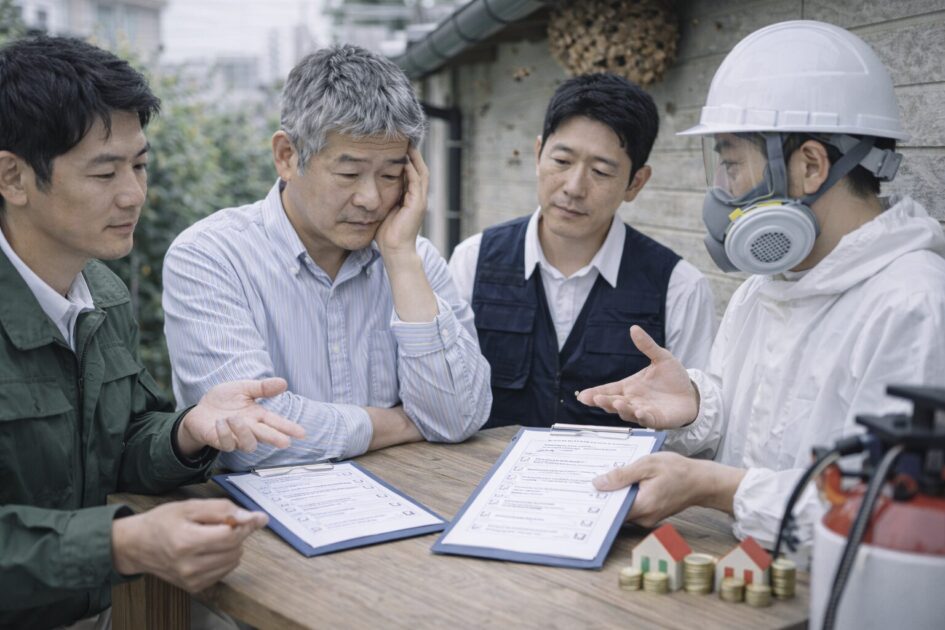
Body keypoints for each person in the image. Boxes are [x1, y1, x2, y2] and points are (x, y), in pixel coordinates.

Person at [578, 20, 945, 547]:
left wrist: (715, 488)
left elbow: (884, 515)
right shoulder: (766, 286)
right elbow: (758, 426)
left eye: (731, 165)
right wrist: (699, 405)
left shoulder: (915, 305)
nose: (722, 192)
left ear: (811, 165)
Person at [0, 37, 305, 629]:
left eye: (139, 165)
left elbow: (118, 444)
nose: (133, 195)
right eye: (104, 171)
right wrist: (122, 543)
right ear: (13, 177)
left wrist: (189, 430)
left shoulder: (103, 295)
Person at [162, 45, 491, 471]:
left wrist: (401, 257)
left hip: (404, 514)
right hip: (257, 527)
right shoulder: (209, 257)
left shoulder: (416, 260)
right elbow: (252, 438)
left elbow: (458, 418)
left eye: (391, 174)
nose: (371, 199)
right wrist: (397, 424)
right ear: (287, 156)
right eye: (349, 174)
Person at [448, 73, 715, 428]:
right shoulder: (473, 260)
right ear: (538, 153)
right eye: (561, 161)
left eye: (601, 171)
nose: (574, 187)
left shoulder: (680, 287)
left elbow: (696, 433)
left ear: (636, 182)